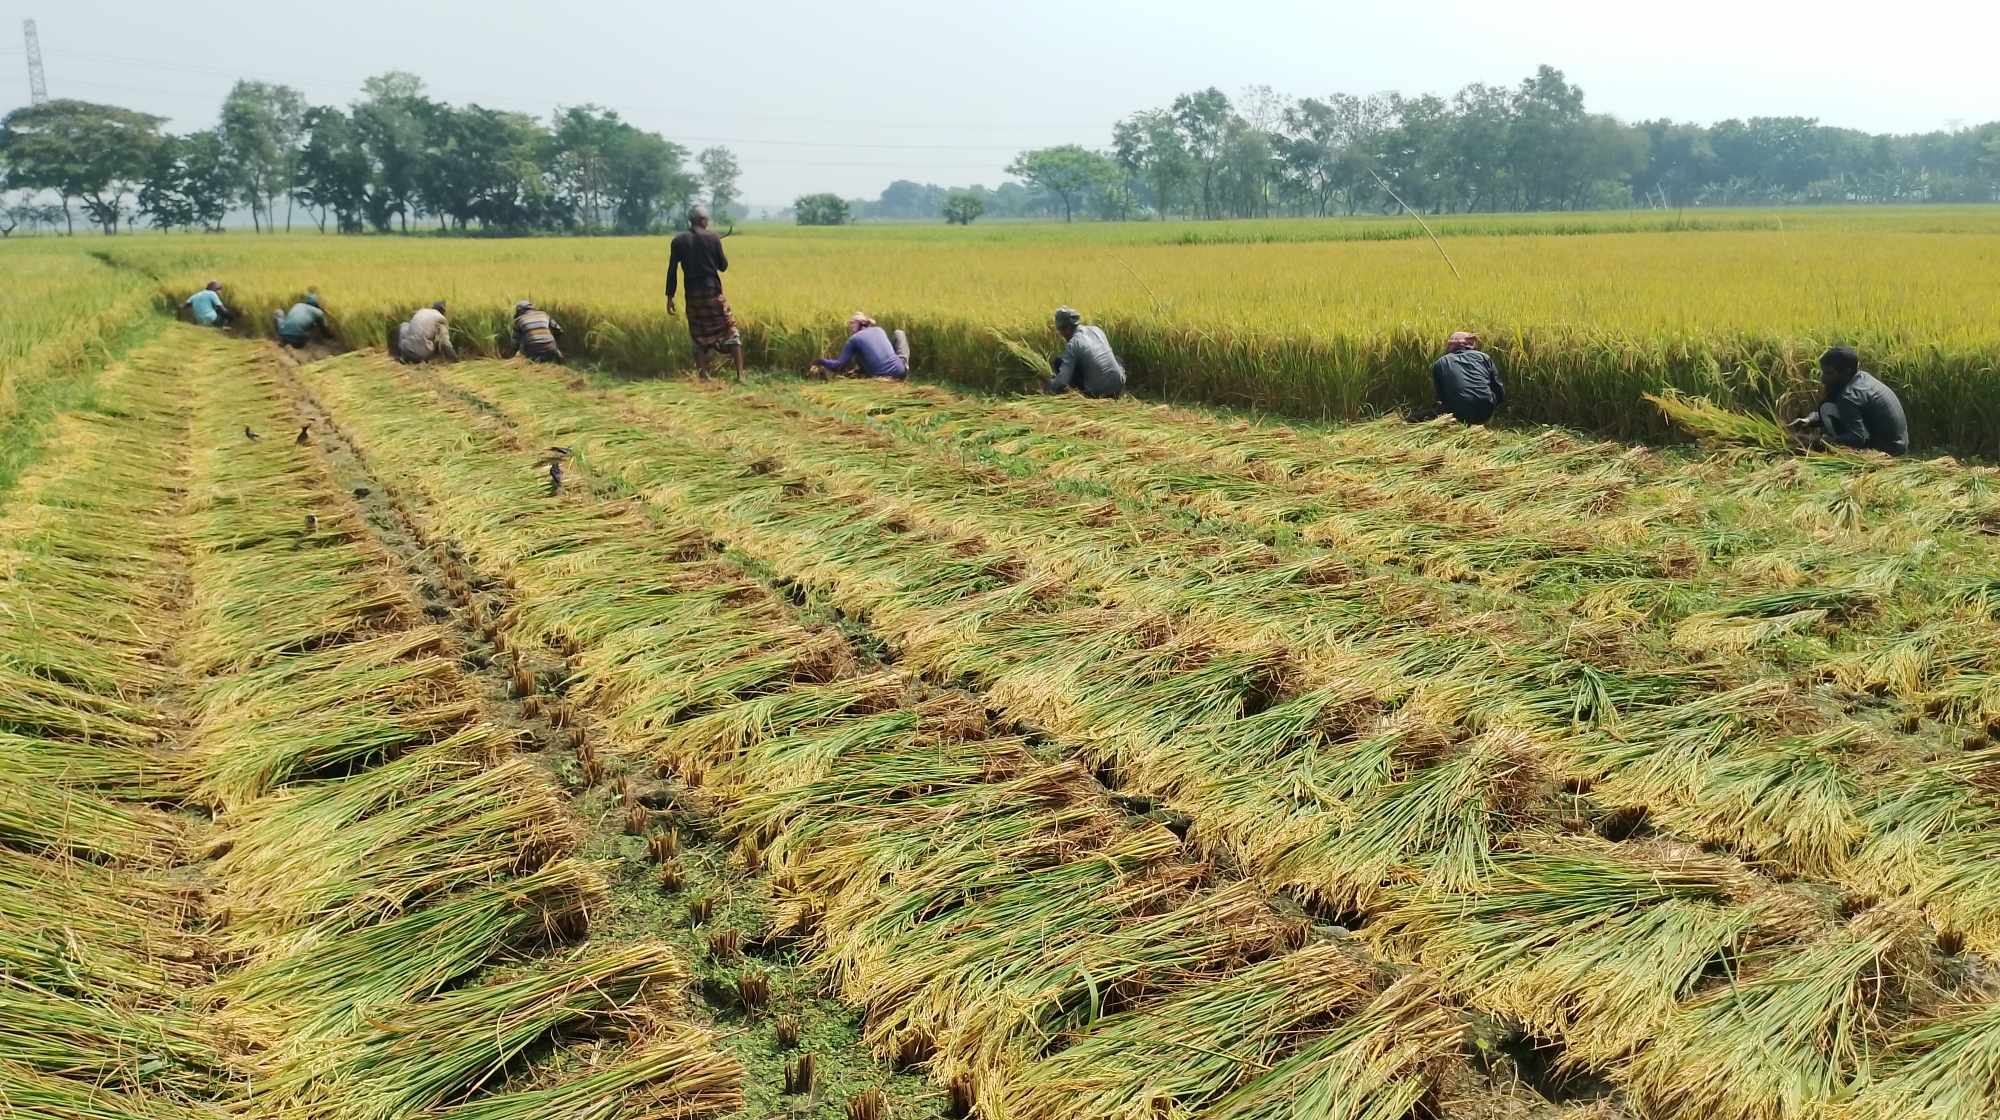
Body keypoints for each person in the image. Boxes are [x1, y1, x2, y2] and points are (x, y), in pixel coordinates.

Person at [665, 204, 744, 380]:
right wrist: (714, 250)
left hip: (693, 295)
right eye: (706, 220)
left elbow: (672, 270)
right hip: (712, 292)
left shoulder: (678, 241)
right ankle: (740, 375)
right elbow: (723, 266)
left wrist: (670, 297)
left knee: (698, 334)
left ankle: (703, 375)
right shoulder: (713, 238)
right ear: (702, 220)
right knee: (730, 329)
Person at [1789, 346, 1909, 456]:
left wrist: (1822, 441)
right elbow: (1845, 414)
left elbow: (1858, 438)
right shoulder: (1862, 378)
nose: (1823, 379)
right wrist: (1809, 420)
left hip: (1885, 452)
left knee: (1826, 408)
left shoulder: (1849, 396)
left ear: (1846, 371)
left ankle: (1838, 454)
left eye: (1829, 373)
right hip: (1899, 446)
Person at [1045, 306, 1126, 399]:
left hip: (1099, 393)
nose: (1061, 335)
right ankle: (1119, 392)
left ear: (1066, 329)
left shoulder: (1073, 343)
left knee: (1059, 362)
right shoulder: (1096, 330)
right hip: (1118, 385)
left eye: (1061, 331)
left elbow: (1062, 381)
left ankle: (1080, 397)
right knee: (1117, 359)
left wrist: (1050, 385)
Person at [1425, 331, 1506, 424]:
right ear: (1470, 345)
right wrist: (1493, 406)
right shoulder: (1483, 357)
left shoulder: (1440, 362)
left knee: (1421, 416)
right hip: (1486, 410)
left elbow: (1440, 396)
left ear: (1450, 345)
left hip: (1458, 414)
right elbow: (1498, 388)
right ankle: (1483, 421)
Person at [806, 313, 909, 380]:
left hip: (880, 378)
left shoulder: (853, 339)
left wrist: (820, 361)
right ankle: (905, 365)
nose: (850, 326)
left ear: (860, 323)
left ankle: (864, 372)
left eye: (852, 323)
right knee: (898, 333)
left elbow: (838, 365)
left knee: (858, 350)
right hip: (900, 372)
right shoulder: (879, 329)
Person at [397, 301, 456, 365]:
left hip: (406, 349)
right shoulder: (441, 319)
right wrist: (455, 358)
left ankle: (403, 356)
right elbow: (445, 343)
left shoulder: (421, 311)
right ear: (443, 311)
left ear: (433, 307)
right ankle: (426, 359)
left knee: (404, 325)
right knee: (438, 338)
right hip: (422, 354)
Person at [511, 300, 565, 364]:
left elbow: (515, 342)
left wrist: (515, 354)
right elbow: (559, 330)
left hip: (532, 352)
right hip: (551, 350)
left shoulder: (518, 320)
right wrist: (552, 342)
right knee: (558, 357)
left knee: (524, 337)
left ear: (519, 311)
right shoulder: (544, 314)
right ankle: (559, 359)